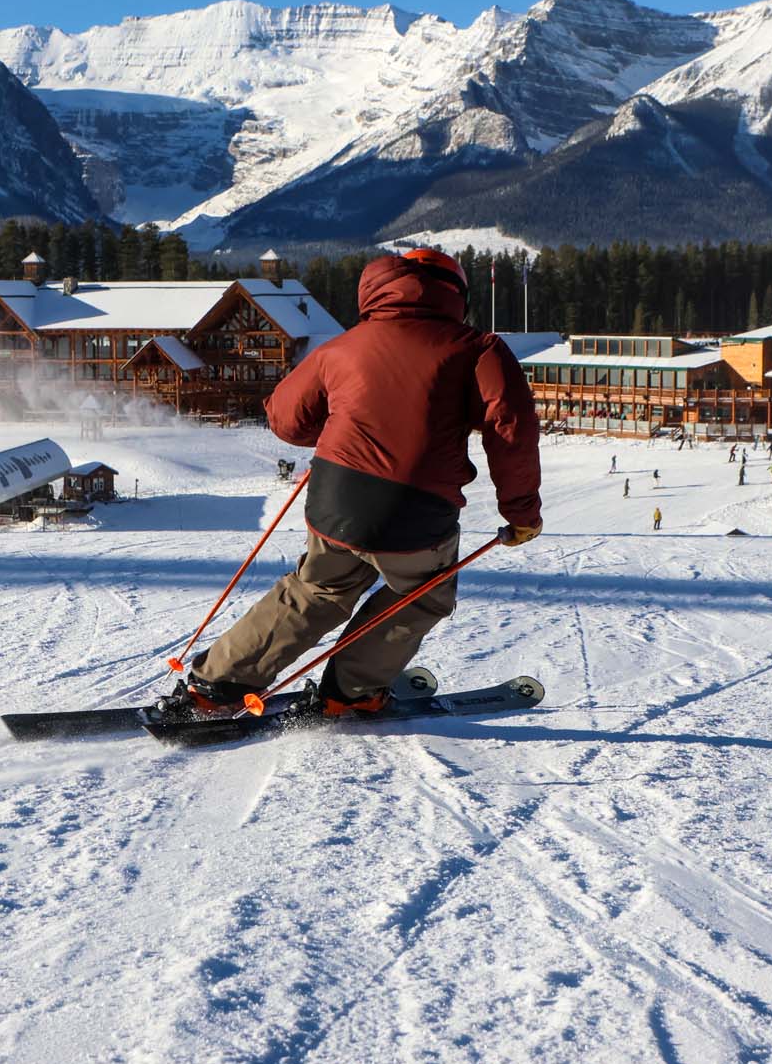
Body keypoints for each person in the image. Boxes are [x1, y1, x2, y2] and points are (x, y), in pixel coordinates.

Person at [170, 250, 542, 719]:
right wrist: (521, 512)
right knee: (421, 595)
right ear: (457, 296)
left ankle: (215, 686)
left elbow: (285, 419)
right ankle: (350, 692)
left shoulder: (342, 347)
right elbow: (511, 430)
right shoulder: (478, 349)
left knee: (317, 589)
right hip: (416, 505)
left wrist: (341, 422)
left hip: (336, 494)